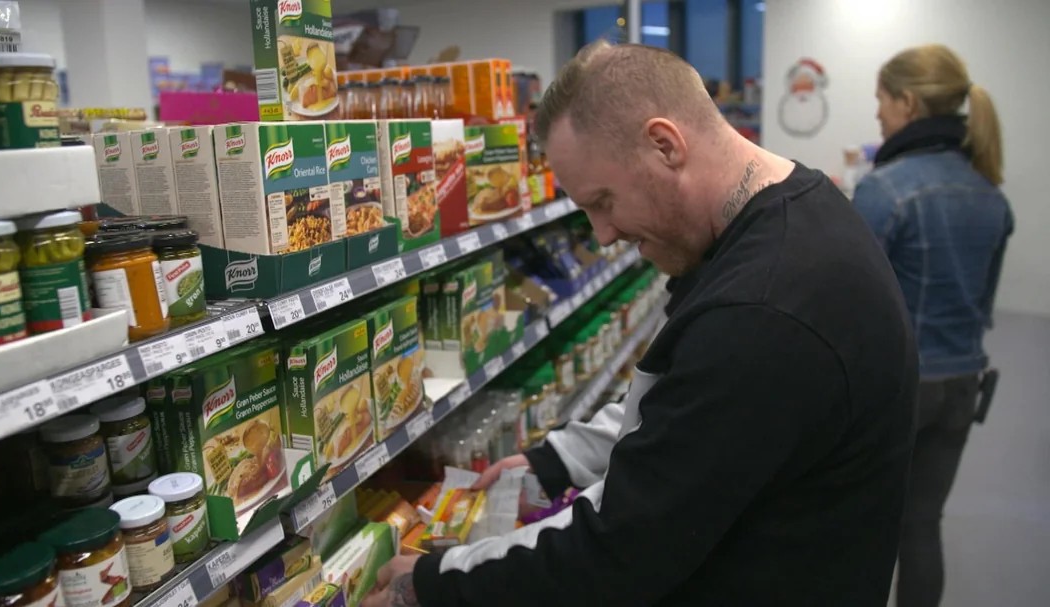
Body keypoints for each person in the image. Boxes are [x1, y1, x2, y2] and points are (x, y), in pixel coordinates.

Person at [362, 41, 918, 607]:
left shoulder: (762, 314)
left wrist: (432, 583)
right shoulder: (795, 208)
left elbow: (620, 551)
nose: (602, 234)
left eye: (603, 201)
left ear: (664, 144)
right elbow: (686, 409)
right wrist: (559, 460)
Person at [852, 44, 1014, 607]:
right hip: (963, 386)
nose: (877, 113)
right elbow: (984, 304)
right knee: (922, 524)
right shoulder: (992, 195)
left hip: (901, 387)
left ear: (908, 103)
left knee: (861, 525)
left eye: (881, 100)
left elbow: (853, 302)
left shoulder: (884, 189)